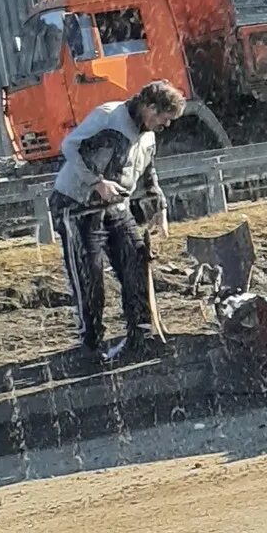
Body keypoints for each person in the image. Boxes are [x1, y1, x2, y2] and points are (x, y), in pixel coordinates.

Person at [49, 80, 185, 361]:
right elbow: (70, 146)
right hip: (78, 206)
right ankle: (90, 344)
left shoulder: (148, 135)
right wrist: (97, 182)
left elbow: (148, 173)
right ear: (149, 107)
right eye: (164, 118)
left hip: (115, 206)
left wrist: (158, 207)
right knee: (90, 277)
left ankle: (140, 335)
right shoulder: (109, 118)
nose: (166, 125)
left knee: (136, 262)